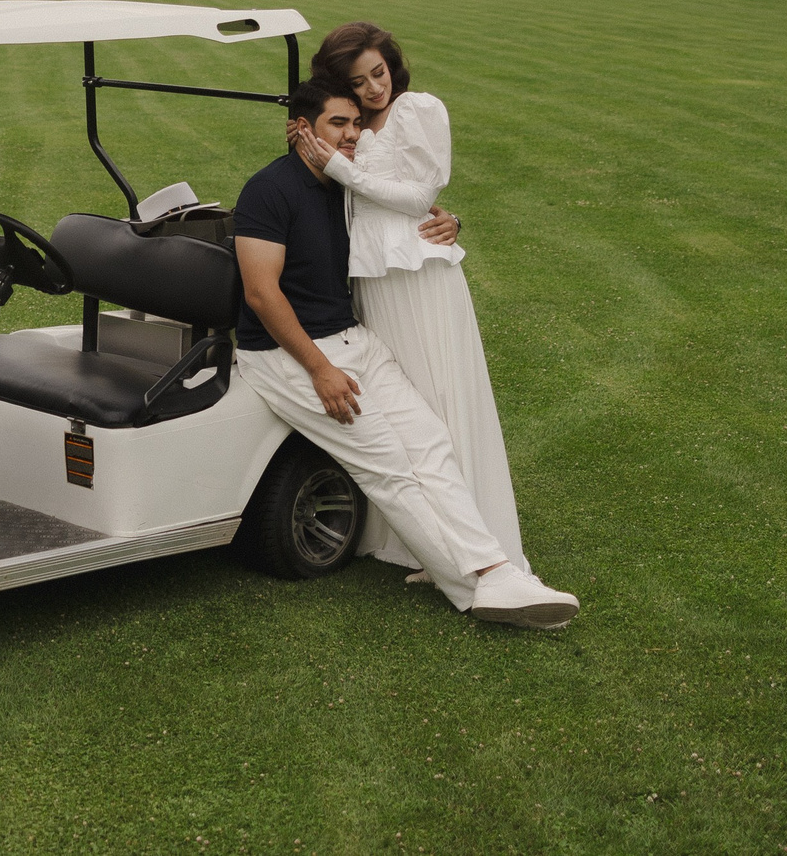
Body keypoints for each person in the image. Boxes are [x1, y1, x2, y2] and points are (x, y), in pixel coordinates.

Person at [233, 80, 578, 629]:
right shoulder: (268, 191)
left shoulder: (345, 185)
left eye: (353, 124)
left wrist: (453, 221)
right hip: (289, 355)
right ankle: (481, 583)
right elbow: (260, 292)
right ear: (300, 129)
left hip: (353, 341)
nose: (351, 136)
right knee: (391, 465)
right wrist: (320, 370)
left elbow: (407, 207)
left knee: (431, 445)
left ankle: (500, 571)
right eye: (335, 125)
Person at [291, 21, 533, 591]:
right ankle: (420, 536)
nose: (375, 88)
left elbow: (422, 196)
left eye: (378, 73)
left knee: (442, 398)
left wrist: (341, 167)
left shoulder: (418, 109)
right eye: (359, 80)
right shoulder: (346, 125)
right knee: (404, 408)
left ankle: (476, 544)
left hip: (419, 276)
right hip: (373, 281)